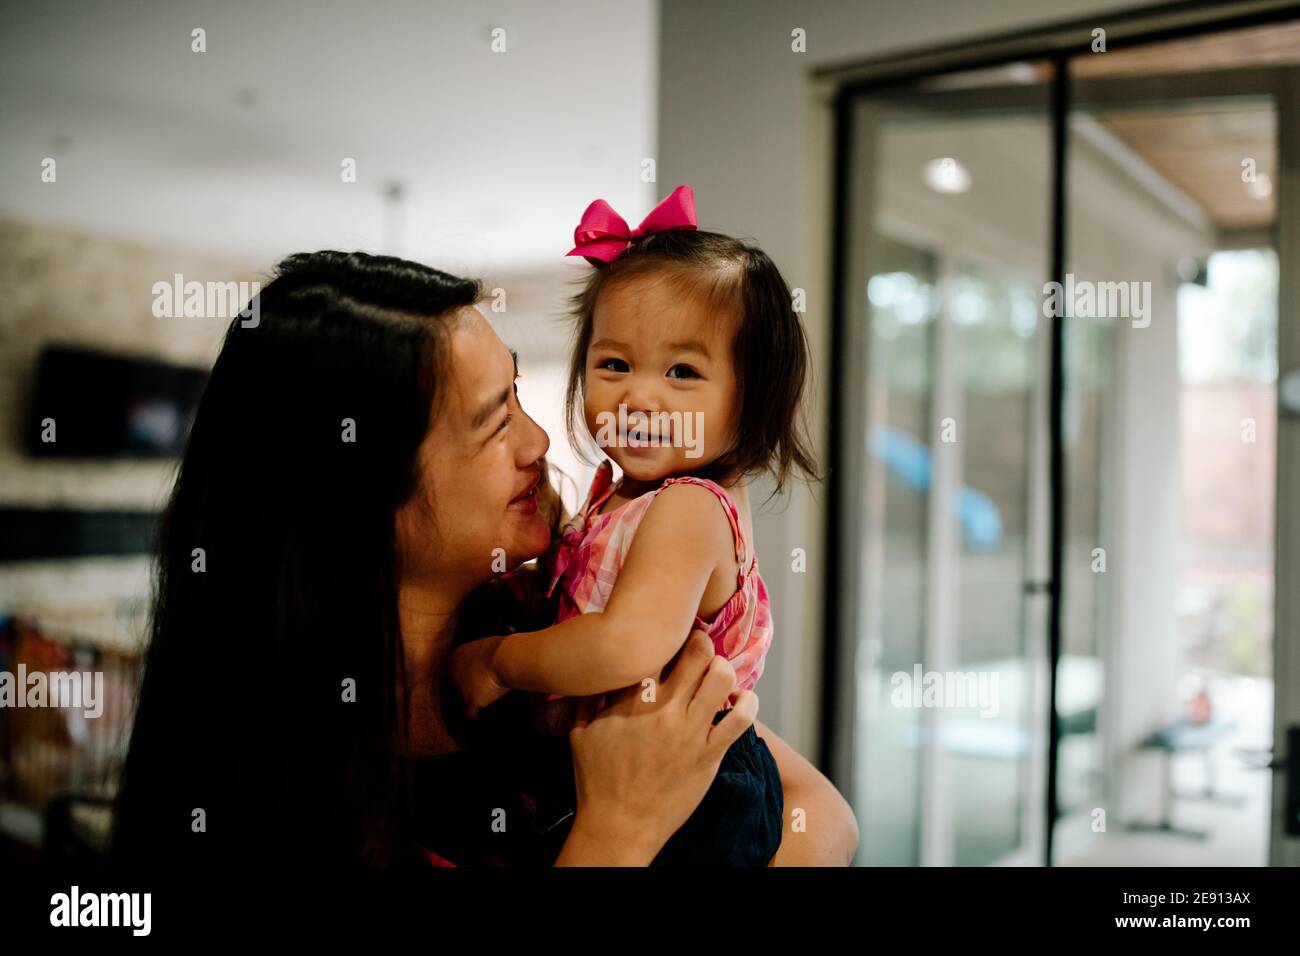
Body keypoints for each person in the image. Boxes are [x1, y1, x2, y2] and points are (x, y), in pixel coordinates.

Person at [110, 249, 857, 866]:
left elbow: (820, 815)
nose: (538, 443)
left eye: (519, 395)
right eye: (494, 421)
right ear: (361, 490)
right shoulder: (266, 780)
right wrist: (618, 832)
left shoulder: (535, 626)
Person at [450, 185, 815, 866]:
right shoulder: (614, 496)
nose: (639, 395)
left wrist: (501, 661)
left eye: (683, 371)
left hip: (699, 786)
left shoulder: (688, 509)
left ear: (752, 399)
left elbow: (623, 647)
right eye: (613, 364)